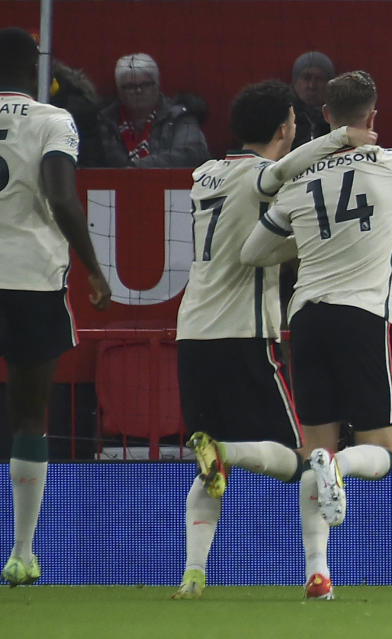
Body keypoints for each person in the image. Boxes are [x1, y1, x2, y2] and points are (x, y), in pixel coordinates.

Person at [240, 61, 392, 599]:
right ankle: (338, 466)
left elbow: (252, 252)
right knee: (382, 453)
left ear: (325, 116)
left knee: (313, 447)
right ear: (374, 115)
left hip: (306, 318)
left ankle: (318, 572)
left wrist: (311, 244)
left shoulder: (295, 182)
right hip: (362, 317)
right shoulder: (390, 164)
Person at [169, 80, 376, 600]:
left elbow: (244, 241)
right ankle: (230, 453)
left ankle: (194, 575)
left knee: (208, 467)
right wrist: (345, 136)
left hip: (192, 331)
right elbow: (280, 178)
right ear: (286, 126)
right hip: (241, 332)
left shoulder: (203, 174)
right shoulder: (264, 175)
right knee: (298, 457)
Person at [0, 27, 111, 586]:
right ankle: (21, 552)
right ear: (35, 68)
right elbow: (62, 196)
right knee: (29, 414)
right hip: (28, 280)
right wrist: (92, 266)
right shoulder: (51, 120)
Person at [96, 53, 209, 167]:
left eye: (146, 85)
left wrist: (137, 167)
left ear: (157, 86)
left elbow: (191, 154)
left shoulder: (179, 116)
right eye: (131, 86)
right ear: (119, 92)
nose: (138, 91)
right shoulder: (105, 121)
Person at [290, 51, 335, 150]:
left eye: (319, 79)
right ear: (295, 82)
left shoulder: (339, 118)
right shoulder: (284, 118)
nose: (312, 85)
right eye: (306, 78)